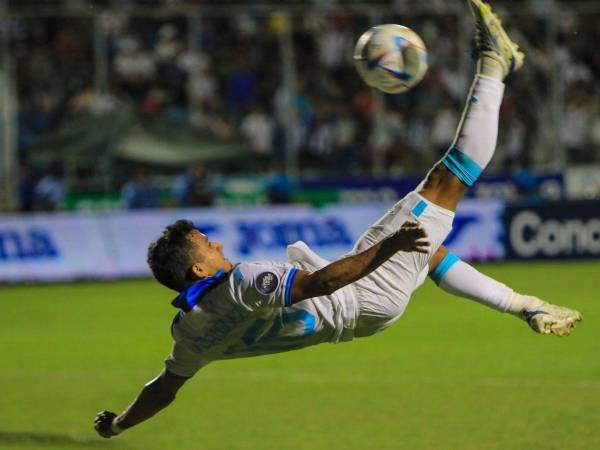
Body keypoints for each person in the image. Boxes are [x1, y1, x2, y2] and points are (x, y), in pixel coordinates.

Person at [94, 0, 582, 439]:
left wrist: (119, 423)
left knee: (428, 253)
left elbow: (164, 388)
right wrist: (386, 248)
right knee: (447, 179)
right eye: (204, 243)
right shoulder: (244, 282)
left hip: (361, 316)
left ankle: (527, 306)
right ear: (197, 269)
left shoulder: (190, 332)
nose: (215, 243)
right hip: (358, 292)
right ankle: (495, 64)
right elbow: (322, 284)